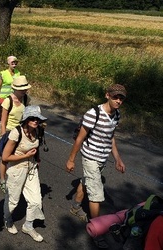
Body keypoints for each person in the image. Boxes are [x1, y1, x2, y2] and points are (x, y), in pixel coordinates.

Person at [66, 84, 127, 248]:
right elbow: (79, 138)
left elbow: (111, 137)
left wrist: (117, 159)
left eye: (121, 98)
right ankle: (97, 229)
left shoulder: (116, 115)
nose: (118, 101)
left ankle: (76, 207)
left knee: (86, 182)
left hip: (102, 158)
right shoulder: (94, 114)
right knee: (96, 194)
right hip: (90, 157)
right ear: (107, 95)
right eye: (115, 97)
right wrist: (71, 159)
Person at [1, 105, 47, 242]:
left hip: (31, 168)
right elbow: (5, 157)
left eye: (37, 118)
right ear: (26, 119)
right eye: (32, 118)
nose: (35, 121)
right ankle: (7, 219)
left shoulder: (38, 131)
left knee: (36, 200)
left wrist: (35, 159)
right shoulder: (16, 133)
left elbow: (36, 148)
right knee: (13, 201)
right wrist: (25, 156)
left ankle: (28, 225)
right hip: (16, 169)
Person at [0, 75, 31, 193]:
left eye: (25, 89)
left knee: (18, 156)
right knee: (5, 158)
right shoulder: (8, 100)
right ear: (15, 88)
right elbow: (3, 120)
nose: (24, 91)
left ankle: (15, 179)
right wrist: (4, 135)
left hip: (21, 132)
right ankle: (2, 179)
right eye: (22, 89)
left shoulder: (26, 99)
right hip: (9, 132)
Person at [0, 56, 21, 130]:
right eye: (12, 63)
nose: (14, 65)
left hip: (13, 97)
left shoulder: (17, 73)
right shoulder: (3, 74)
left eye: (15, 63)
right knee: (1, 116)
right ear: (8, 63)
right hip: (3, 98)